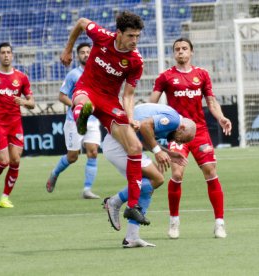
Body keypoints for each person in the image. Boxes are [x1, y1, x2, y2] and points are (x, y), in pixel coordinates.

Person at [60, 11, 147, 223]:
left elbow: (128, 95)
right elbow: (81, 22)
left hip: (109, 102)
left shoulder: (135, 61)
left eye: (137, 36)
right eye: (130, 36)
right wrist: (68, 49)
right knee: (81, 99)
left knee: (135, 147)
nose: (135, 41)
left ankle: (133, 205)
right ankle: (81, 118)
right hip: (88, 88)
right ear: (119, 33)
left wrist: (130, 117)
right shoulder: (102, 36)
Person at [149, 37, 232, 239]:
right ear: (174, 53)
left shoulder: (202, 75)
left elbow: (211, 102)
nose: (180, 52)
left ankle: (219, 223)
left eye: (184, 48)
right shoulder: (166, 77)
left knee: (210, 171)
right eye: (177, 49)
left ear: (191, 52)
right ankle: (174, 222)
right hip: (176, 131)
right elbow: (153, 103)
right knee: (176, 174)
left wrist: (221, 118)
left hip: (200, 131)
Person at [102, 103, 196, 248]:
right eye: (182, 139)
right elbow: (145, 126)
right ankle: (114, 202)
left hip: (121, 143)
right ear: (182, 128)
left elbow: (144, 135)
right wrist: (158, 151)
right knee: (157, 178)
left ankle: (132, 237)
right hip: (118, 145)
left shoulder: (170, 116)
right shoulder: (174, 121)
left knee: (148, 182)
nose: (178, 142)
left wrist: (168, 152)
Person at [0, 42, 35, 208]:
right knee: (3, 161)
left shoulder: (21, 77)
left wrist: (24, 102)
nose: (6, 55)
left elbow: (32, 103)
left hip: (15, 123)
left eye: (8, 52)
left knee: (15, 160)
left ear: (12, 55)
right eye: (3, 52)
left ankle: (4, 197)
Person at [46, 43, 101, 199]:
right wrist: (77, 105)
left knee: (93, 152)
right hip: (74, 121)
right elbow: (62, 96)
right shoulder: (73, 75)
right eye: (82, 52)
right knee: (73, 156)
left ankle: (87, 190)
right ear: (78, 56)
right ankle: (55, 173)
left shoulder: (98, 74)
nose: (85, 54)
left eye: (88, 52)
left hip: (92, 120)